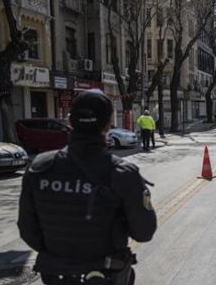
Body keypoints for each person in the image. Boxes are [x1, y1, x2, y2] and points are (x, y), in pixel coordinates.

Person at [18, 90, 157, 285]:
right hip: (106, 275)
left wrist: (62, 256)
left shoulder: (40, 167)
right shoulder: (122, 173)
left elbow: (27, 230)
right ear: (108, 125)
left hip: (56, 275)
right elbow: (144, 232)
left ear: (70, 122)